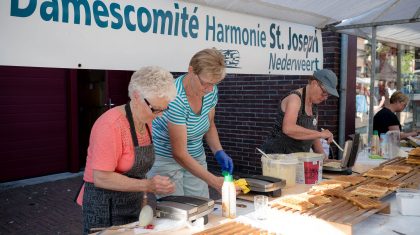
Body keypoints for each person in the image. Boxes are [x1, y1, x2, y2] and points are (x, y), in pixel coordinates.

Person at [76, 66, 177, 234]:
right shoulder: (110, 125)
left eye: (164, 109)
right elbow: (101, 178)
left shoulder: (147, 121)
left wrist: (144, 198)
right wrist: (149, 185)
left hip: (133, 204)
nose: (160, 115)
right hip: (104, 207)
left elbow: (138, 172)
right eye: (156, 109)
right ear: (137, 97)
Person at [149, 48, 233, 198]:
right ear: (191, 70)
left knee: (201, 208)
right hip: (167, 161)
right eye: (205, 83)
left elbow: (210, 124)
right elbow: (179, 153)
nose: (209, 89)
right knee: (178, 212)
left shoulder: (211, 90)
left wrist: (218, 151)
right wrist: (214, 181)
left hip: (196, 157)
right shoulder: (174, 98)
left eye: (215, 84)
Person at [261, 69, 339, 158]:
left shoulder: (314, 106)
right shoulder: (295, 98)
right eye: (324, 93)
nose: (325, 98)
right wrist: (320, 134)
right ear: (314, 83)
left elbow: (313, 134)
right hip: (278, 158)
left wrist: (323, 157)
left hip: (298, 159)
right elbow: (288, 129)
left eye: (328, 95)